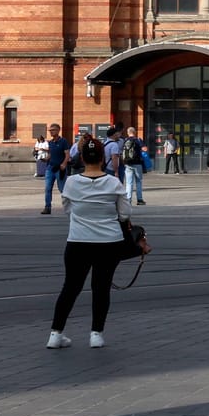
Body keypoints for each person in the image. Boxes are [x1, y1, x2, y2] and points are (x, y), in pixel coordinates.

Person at [46, 134, 131, 350]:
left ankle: (56, 334)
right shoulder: (113, 183)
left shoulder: (72, 183)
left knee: (70, 287)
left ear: (82, 159)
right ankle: (96, 334)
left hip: (78, 241)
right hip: (109, 243)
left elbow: (67, 209)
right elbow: (124, 214)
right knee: (101, 288)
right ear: (102, 158)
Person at [42, 123, 71, 215]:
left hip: (60, 168)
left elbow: (67, 154)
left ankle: (68, 206)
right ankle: (47, 207)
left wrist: (64, 164)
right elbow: (51, 154)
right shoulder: (50, 143)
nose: (51, 132)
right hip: (50, 168)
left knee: (62, 188)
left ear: (58, 130)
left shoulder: (63, 141)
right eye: (50, 130)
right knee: (47, 188)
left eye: (53, 130)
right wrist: (46, 159)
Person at [122, 128, 147, 206]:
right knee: (138, 182)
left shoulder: (125, 140)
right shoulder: (138, 140)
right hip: (137, 163)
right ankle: (139, 199)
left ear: (128, 132)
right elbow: (145, 149)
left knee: (129, 183)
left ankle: (128, 200)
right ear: (135, 132)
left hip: (127, 163)